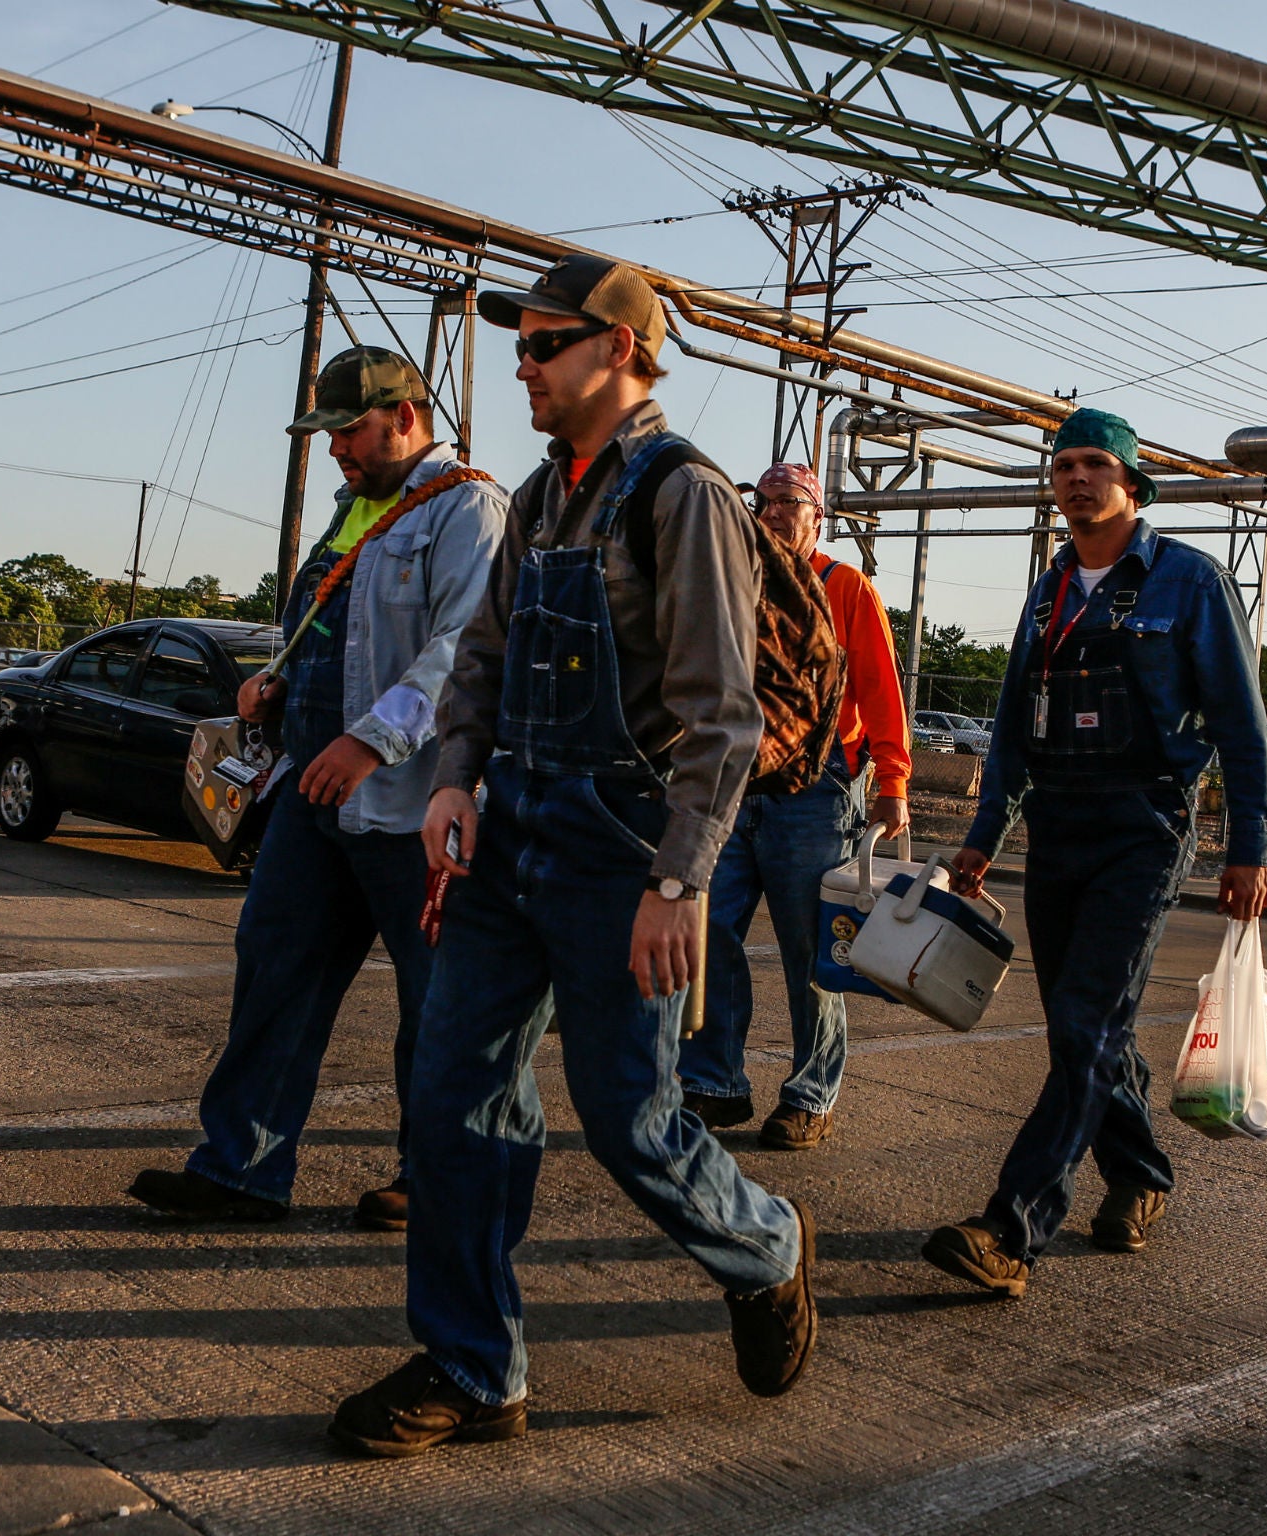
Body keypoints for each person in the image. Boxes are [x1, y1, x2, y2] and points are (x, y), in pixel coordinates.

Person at [326, 256, 816, 1459]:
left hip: (619, 853)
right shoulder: (544, 495)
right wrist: (452, 779)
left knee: (630, 1122)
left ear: (620, 350)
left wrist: (676, 883)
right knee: (452, 1095)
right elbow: (482, 657)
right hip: (509, 839)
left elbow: (721, 718)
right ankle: (472, 1365)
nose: (523, 365)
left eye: (544, 344)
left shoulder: (682, 495)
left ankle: (763, 1247)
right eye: (522, 346)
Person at [127, 348, 508, 1228]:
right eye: (330, 434)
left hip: (416, 806)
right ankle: (243, 1170)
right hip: (315, 789)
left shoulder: (468, 509)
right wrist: (276, 683)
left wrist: (372, 742)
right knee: (274, 970)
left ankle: (438, 1180)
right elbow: (328, 626)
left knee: (440, 1001)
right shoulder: (355, 509)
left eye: (349, 431)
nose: (336, 450)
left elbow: (463, 651)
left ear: (405, 417)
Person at [921, 407, 1267, 1299]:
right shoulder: (1048, 592)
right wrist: (982, 834)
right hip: (1059, 827)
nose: (1076, 478)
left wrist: (1250, 845)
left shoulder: (1188, 582)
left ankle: (1011, 1228)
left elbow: (1243, 724)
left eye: (1093, 465)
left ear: (1130, 481)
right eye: (1063, 465)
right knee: (1086, 1026)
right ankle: (1143, 1173)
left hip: (1144, 829)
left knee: (1086, 1021)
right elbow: (1010, 725)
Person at [678, 461, 911, 1149]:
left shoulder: (847, 587)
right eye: (763, 501)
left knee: (812, 949)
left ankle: (810, 1093)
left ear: (819, 518)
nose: (773, 512)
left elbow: (880, 689)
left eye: (789, 502)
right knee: (708, 928)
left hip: (818, 787)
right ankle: (715, 1082)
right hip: (735, 778)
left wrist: (893, 783)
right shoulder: (733, 581)